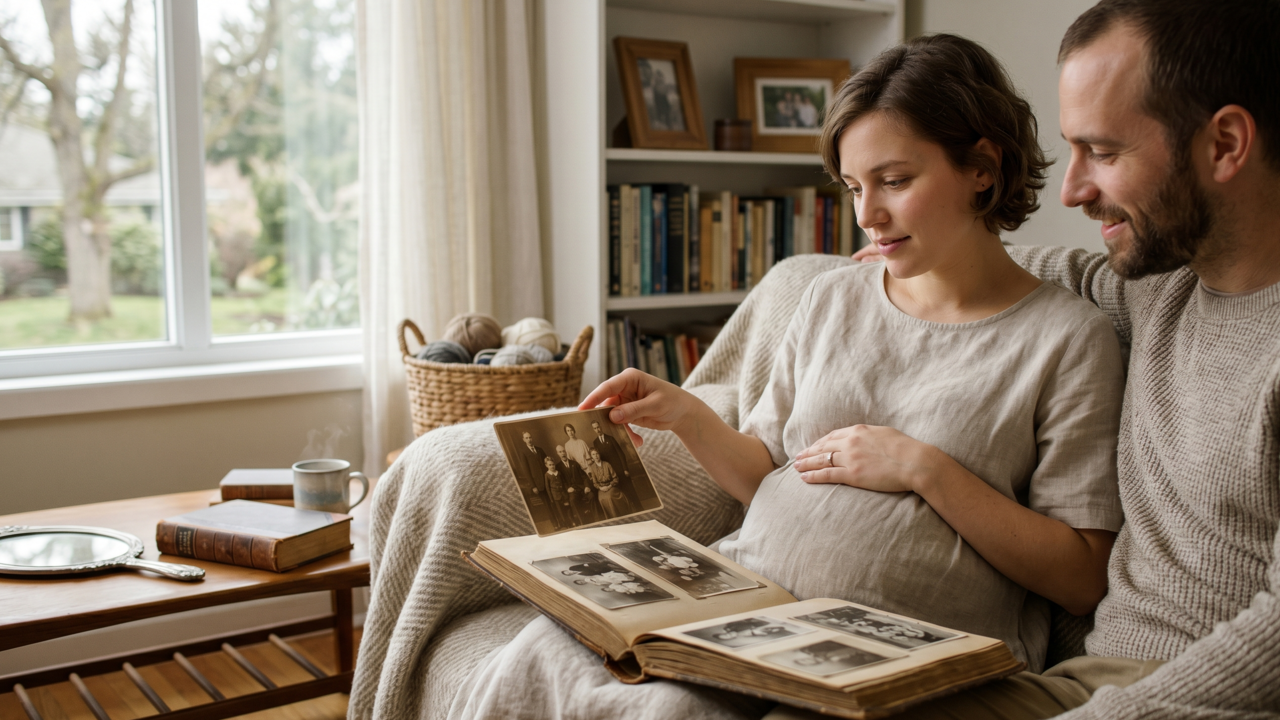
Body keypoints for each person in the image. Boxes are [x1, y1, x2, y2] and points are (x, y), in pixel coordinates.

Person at [453, 33, 1128, 720]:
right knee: (536, 650)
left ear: (983, 167)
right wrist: (685, 413)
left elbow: (1080, 578)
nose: (868, 214)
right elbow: (766, 474)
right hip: (745, 602)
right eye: (854, 187)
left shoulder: (1068, 338)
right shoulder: (834, 296)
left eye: (895, 181)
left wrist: (924, 469)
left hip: (896, 649)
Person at [841, 2, 1280, 718]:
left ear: (1225, 144)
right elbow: (1052, 271)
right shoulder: (1159, 288)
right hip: (1085, 680)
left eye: (1104, 153)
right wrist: (927, 255)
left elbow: (1274, 644)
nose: (1072, 188)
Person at [590, 420, 638, 507]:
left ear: (600, 427)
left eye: (598, 427)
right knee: (619, 495)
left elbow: (621, 454)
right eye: (595, 428)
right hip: (610, 475)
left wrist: (625, 469)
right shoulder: (595, 442)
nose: (597, 430)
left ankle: (638, 508)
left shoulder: (610, 438)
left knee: (629, 490)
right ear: (593, 430)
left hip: (620, 470)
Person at [555, 445, 598, 525]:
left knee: (591, 495)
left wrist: (587, 486)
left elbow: (584, 476)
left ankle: (597, 519)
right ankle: (583, 522)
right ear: (558, 453)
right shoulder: (558, 467)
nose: (562, 453)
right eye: (560, 452)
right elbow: (561, 482)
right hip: (572, 490)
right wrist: (567, 488)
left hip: (582, 488)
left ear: (566, 452)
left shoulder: (574, 463)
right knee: (573, 500)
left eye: (563, 451)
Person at [584, 448, 630, 519]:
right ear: (591, 457)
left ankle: (618, 516)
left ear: (599, 455)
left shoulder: (607, 464)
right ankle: (611, 518)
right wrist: (601, 488)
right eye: (593, 454)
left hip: (611, 486)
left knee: (609, 497)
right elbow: (595, 483)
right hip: (601, 489)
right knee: (601, 499)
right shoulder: (592, 468)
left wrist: (609, 486)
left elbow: (615, 478)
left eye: (597, 454)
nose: (596, 456)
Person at [541, 455, 574, 530]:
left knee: (568, 508)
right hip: (556, 496)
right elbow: (548, 488)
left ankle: (572, 521)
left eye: (553, 464)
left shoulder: (558, 473)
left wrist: (566, 491)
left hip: (563, 495)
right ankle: (565, 524)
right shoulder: (547, 475)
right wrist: (551, 499)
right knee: (561, 511)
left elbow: (564, 482)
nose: (552, 466)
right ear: (546, 465)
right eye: (550, 465)